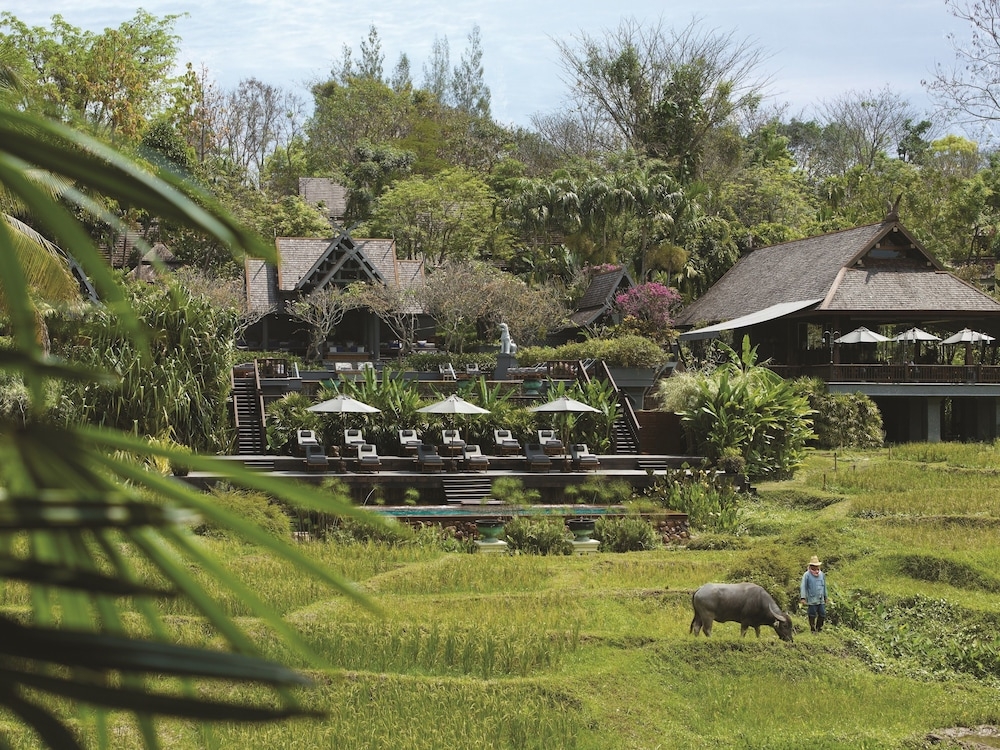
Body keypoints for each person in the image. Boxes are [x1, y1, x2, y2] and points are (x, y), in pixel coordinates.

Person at [800, 555, 828, 633]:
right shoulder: (807, 575)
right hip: (812, 599)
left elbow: (824, 586)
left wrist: (826, 596)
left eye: (817, 566)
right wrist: (803, 598)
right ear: (811, 566)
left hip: (820, 599)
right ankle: (813, 629)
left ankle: (819, 628)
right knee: (812, 614)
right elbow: (803, 586)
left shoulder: (822, 574)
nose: (816, 568)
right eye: (814, 566)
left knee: (822, 614)